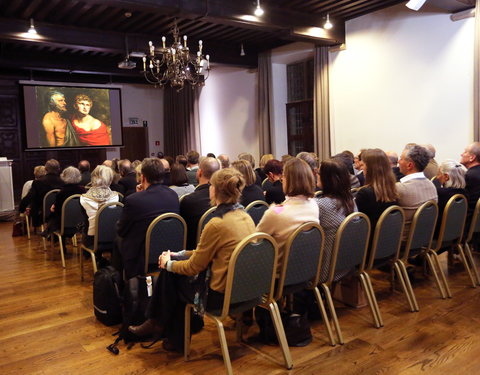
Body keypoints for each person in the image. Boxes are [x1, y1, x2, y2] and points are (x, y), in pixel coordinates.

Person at [128, 168, 255, 352]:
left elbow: (195, 266)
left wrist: (168, 264)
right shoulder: (245, 216)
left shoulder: (217, 223)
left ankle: (160, 326)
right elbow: (205, 253)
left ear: (215, 190)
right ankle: (163, 329)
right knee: (173, 273)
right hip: (244, 289)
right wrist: (176, 255)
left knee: (171, 276)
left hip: (221, 297)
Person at [115, 158, 179, 279]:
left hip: (142, 254)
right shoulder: (173, 195)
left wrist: (138, 195)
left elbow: (121, 230)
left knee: (118, 240)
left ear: (143, 177)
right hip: (169, 249)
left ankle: (125, 286)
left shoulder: (134, 200)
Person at [256, 158, 319, 269]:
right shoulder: (314, 205)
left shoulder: (275, 213)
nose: (281, 179)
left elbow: (255, 241)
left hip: (278, 275)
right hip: (306, 269)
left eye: (283, 177)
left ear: (288, 180)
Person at [317, 159, 357, 282]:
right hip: (347, 264)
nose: (316, 175)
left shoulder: (320, 205)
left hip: (324, 270)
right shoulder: (351, 202)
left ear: (327, 178)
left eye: (319, 173)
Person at [396, 145, 438, 237]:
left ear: (409, 165)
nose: (398, 161)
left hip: (402, 241)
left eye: (401, 159)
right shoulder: (432, 185)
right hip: (424, 238)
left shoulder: (400, 188)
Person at [180, 157, 220, 249]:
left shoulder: (188, 201)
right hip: (219, 247)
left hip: (195, 249)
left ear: (200, 172)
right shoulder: (225, 199)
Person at [355, 149, 398, 232]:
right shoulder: (393, 189)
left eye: (363, 165)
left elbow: (359, 223)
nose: (362, 168)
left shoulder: (365, 193)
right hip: (387, 238)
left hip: (368, 239)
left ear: (370, 169)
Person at [80, 165, 119, 252]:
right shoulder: (117, 197)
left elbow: (86, 222)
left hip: (92, 239)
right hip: (114, 236)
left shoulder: (84, 199)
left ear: (93, 177)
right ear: (110, 179)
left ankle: (95, 258)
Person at [19, 159, 64, 227]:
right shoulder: (63, 182)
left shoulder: (38, 182)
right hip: (60, 213)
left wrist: (22, 209)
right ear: (59, 169)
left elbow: (29, 198)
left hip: (41, 214)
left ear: (46, 169)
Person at [43, 166, 86, 238]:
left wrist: (52, 209)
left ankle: (49, 232)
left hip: (64, 223)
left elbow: (58, 210)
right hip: (80, 222)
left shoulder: (62, 192)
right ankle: (48, 231)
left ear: (64, 176)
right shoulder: (82, 190)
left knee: (53, 215)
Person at [435, 160, 467, 235]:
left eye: (439, 174)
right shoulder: (465, 194)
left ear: (446, 177)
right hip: (455, 234)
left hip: (437, 234)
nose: (437, 177)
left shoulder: (440, 194)